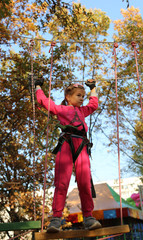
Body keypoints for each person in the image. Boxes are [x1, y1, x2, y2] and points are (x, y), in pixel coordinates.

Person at [35, 79, 101, 232]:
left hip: (82, 146)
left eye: (83, 96)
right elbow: (43, 101)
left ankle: (89, 218)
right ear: (68, 97)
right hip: (66, 144)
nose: (81, 98)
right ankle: (56, 220)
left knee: (84, 182)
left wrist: (93, 89)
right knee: (62, 183)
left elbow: (94, 105)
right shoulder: (61, 109)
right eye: (78, 95)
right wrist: (38, 86)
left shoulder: (83, 111)